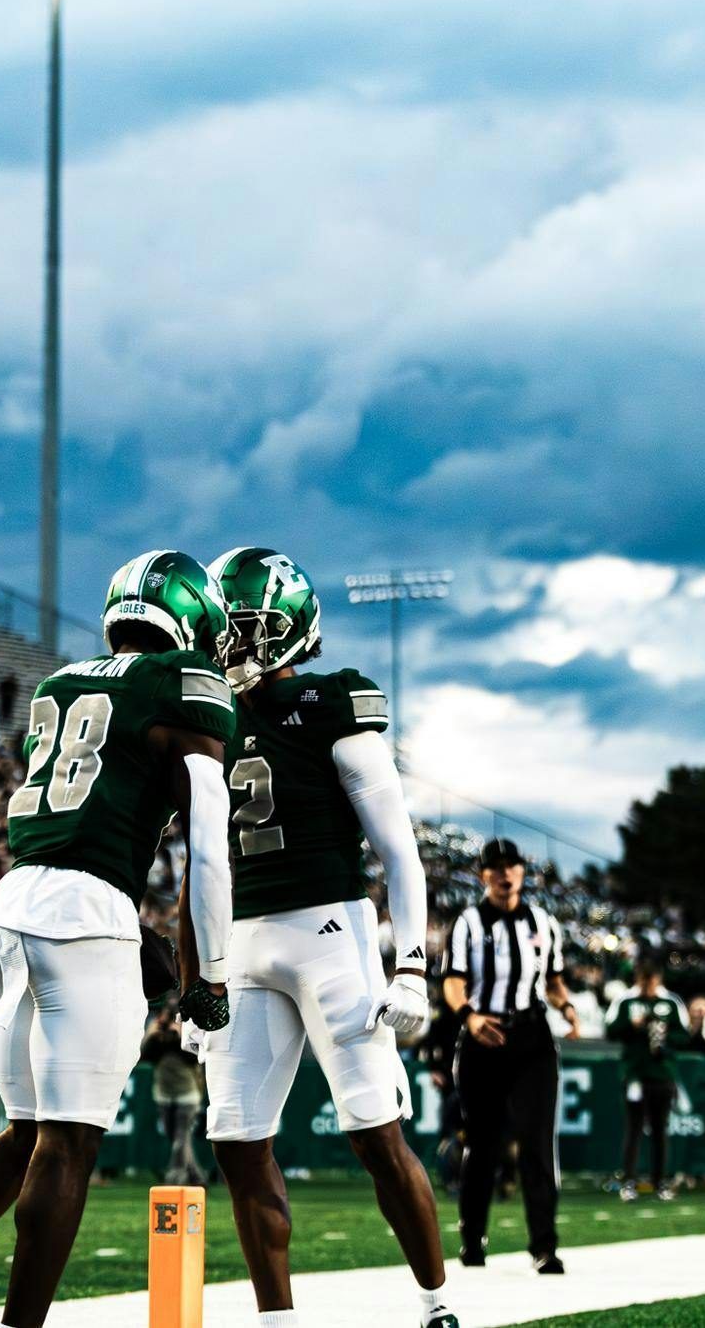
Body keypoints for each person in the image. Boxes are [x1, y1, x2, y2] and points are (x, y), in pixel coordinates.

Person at [0, 549, 236, 1328]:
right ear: (192, 617)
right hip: (86, 913)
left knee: (27, 1132)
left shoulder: (61, 681)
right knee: (69, 1146)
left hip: (12, 903)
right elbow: (207, 842)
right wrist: (211, 978)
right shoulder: (185, 688)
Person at [197, 546, 454, 1327]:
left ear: (295, 628)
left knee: (375, 1133)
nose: (238, 645)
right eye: (230, 629)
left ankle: (436, 1302)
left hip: (331, 929)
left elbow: (400, 851)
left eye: (253, 629)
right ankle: (277, 1318)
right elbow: (195, 858)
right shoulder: (207, 710)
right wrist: (197, 973)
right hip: (242, 940)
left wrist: (410, 966)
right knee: (238, 1141)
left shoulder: (334, 699)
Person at [444, 837, 581, 1271]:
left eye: (513, 866)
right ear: (482, 875)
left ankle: (544, 1245)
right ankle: (472, 1236)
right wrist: (470, 1017)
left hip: (531, 1038)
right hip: (484, 1037)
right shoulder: (467, 923)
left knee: (537, 1142)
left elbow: (554, 981)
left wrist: (569, 1007)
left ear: (523, 871)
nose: (506, 874)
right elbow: (452, 981)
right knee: (482, 1143)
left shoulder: (542, 922)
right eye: (496, 867)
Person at [607, 957, 687, 1203]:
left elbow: (684, 1037)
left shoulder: (670, 1002)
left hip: (662, 1074)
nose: (647, 986)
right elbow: (611, 1031)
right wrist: (632, 1025)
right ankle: (629, 1180)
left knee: (660, 1129)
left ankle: (660, 1180)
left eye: (651, 981)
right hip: (635, 1074)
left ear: (658, 980)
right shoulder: (627, 1001)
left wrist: (664, 1036)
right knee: (633, 1128)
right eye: (643, 980)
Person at [141, 1006, 206, 1186]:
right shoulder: (157, 1037)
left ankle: (175, 1180)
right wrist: (152, 1035)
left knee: (180, 1138)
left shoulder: (187, 1031)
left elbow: (196, 1058)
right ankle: (197, 1177)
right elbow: (145, 1056)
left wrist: (180, 1037)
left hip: (187, 1094)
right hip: (164, 1094)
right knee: (177, 1140)